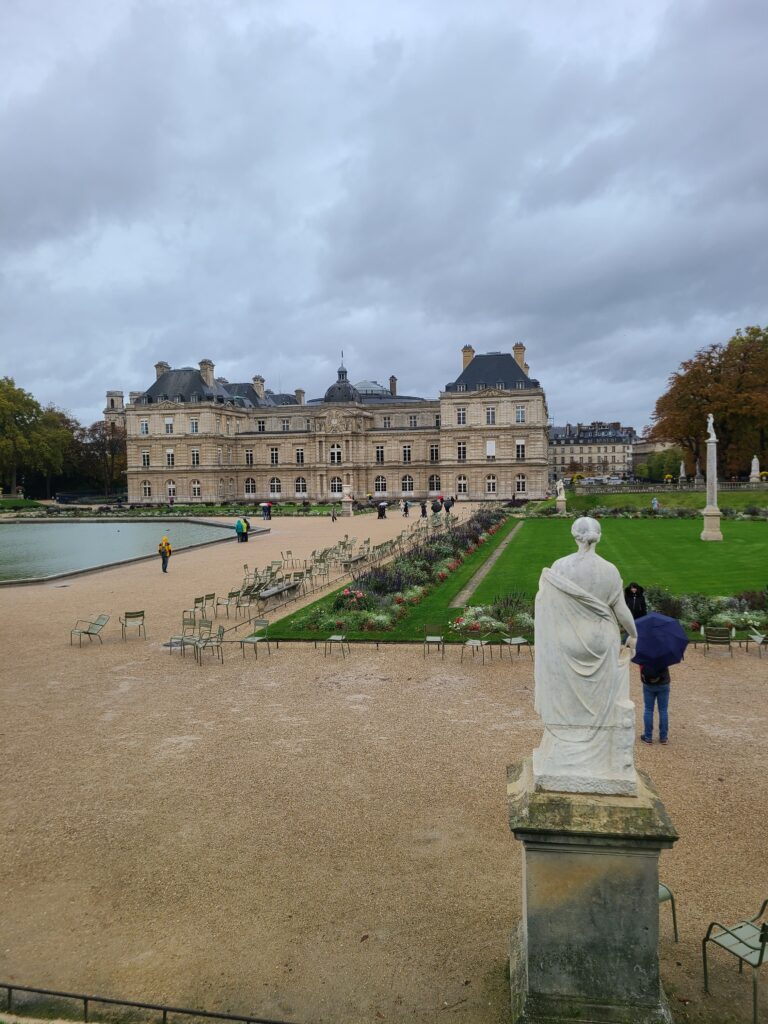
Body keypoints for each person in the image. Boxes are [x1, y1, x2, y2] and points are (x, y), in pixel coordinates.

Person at [533, 516, 638, 792]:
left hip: (568, 639)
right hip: (602, 638)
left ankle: (566, 743)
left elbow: (546, 604)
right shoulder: (610, 571)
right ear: (598, 536)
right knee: (601, 695)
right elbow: (622, 611)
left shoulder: (560, 567)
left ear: (574, 535)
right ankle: (598, 751)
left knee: (568, 694)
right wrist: (634, 634)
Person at [639, 665, 671, 744]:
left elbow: (641, 667)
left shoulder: (644, 653)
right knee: (663, 710)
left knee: (648, 710)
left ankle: (648, 737)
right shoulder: (664, 653)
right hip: (663, 682)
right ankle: (663, 737)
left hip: (648, 683)